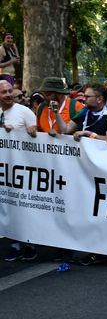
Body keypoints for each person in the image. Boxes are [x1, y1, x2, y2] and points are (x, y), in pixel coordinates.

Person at [1, 79, 41, 262]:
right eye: (4, 92)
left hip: (23, 169)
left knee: (24, 206)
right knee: (7, 207)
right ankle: (14, 245)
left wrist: (31, 131)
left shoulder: (24, 111)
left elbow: (36, 135)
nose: (8, 95)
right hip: (4, 170)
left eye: (10, 91)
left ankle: (30, 244)